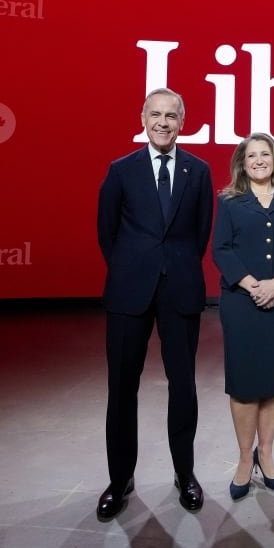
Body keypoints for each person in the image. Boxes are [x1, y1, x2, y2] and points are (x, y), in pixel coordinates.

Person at [95, 88, 214, 521]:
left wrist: (172, 267)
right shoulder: (121, 170)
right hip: (129, 291)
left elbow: (200, 233)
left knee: (183, 386)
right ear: (143, 118)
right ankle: (120, 478)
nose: (163, 123)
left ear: (182, 122)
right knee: (122, 388)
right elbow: (107, 230)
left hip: (179, 288)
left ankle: (185, 474)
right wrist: (134, 267)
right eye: (155, 115)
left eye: (171, 116)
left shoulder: (197, 171)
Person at [212, 133, 274, 500]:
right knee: (242, 383)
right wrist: (255, 286)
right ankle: (244, 459)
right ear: (243, 162)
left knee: (273, 382)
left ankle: (266, 455)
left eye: (264, 154)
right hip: (241, 303)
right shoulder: (230, 201)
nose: (258, 160)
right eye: (251, 155)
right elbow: (221, 250)